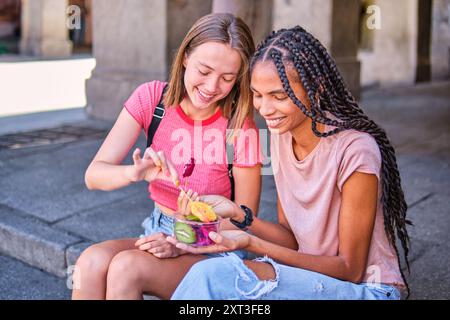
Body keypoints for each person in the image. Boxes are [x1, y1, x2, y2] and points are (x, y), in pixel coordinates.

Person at [168, 26, 412, 300]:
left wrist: (252, 242)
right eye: (257, 95)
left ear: (315, 87)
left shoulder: (356, 150)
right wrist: (238, 214)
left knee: (214, 277)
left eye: (279, 96)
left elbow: (350, 269)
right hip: (313, 275)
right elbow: (290, 238)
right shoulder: (281, 135)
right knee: (219, 273)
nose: (265, 109)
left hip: (368, 289)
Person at [72, 13, 263, 300]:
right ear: (185, 57)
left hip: (212, 244)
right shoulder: (152, 100)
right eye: (204, 70)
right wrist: (133, 173)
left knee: (126, 268)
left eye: (227, 78)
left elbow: (243, 220)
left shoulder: (239, 128)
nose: (212, 87)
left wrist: (182, 240)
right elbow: (94, 175)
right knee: (89, 263)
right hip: (157, 228)